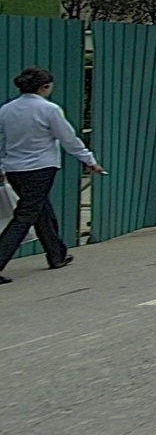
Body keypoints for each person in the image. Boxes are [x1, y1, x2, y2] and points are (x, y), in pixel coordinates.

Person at [0, 67, 105, 283]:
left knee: (40, 210)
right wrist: (89, 160)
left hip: (14, 168)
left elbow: (1, 141)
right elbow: (69, 139)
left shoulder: (6, 110)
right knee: (26, 215)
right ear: (45, 87)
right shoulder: (49, 109)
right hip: (40, 168)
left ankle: (57, 254)